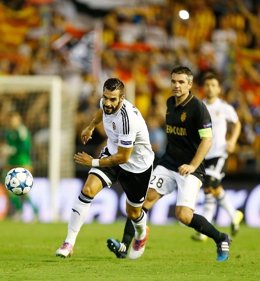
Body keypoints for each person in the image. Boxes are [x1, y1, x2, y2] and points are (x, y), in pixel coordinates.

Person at [106, 66, 231, 262]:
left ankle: (221, 238)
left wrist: (192, 165)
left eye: (181, 82)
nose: (176, 85)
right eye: (173, 81)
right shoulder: (170, 102)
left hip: (191, 168)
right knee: (142, 202)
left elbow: (207, 141)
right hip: (168, 163)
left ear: (189, 85)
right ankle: (124, 246)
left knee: (183, 215)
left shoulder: (198, 108)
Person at [56, 78, 154, 259]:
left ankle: (141, 233)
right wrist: (91, 127)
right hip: (112, 153)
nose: (108, 103)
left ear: (122, 98)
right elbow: (102, 112)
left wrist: (92, 162)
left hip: (137, 166)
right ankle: (69, 243)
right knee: (87, 190)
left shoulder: (128, 120)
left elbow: (124, 157)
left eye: (113, 99)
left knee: (133, 212)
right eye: (106, 97)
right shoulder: (105, 103)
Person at [191, 72, 243, 242]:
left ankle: (203, 230)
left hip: (220, 153)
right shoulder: (199, 107)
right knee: (209, 190)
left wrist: (232, 141)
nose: (210, 88)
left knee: (210, 184)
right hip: (204, 154)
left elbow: (237, 124)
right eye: (207, 85)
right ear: (203, 88)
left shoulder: (225, 107)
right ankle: (233, 214)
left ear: (219, 88)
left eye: (213, 85)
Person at [2, 111, 38, 220]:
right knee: (9, 186)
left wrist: (14, 150)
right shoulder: (8, 132)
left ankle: (35, 211)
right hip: (11, 162)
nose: (13, 121)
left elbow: (26, 147)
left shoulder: (22, 131)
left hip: (23, 162)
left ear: (18, 119)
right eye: (11, 119)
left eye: (15, 119)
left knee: (23, 189)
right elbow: (7, 145)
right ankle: (19, 210)